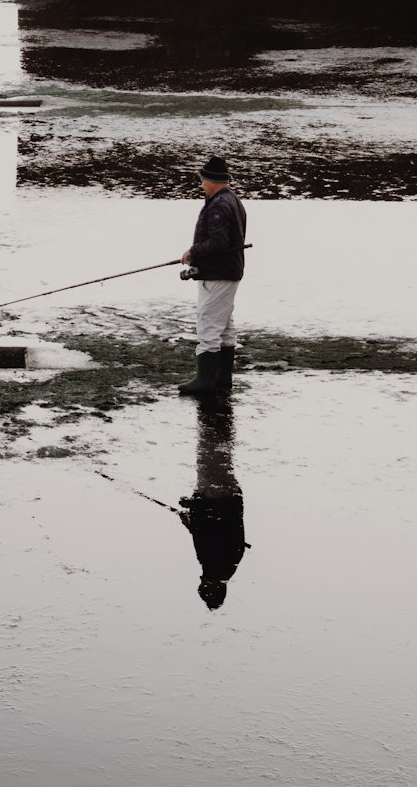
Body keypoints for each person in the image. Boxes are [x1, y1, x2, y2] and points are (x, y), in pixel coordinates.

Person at [179, 156, 246, 396]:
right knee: (225, 327)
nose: (201, 185)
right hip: (228, 272)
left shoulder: (219, 204)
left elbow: (219, 242)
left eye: (203, 180)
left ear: (213, 181)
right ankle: (222, 378)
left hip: (218, 275)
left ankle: (205, 380)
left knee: (208, 323)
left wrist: (193, 252)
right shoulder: (232, 200)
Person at [179, 399, 247, 610]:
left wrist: (190, 517)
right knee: (210, 453)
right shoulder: (214, 565)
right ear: (207, 586)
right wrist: (194, 509)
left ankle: (217, 412)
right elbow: (208, 530)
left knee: (219, 455)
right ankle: (212, 410)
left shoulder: (227, 564)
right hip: (215, 498)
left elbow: (211, 530)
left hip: (227, 498)